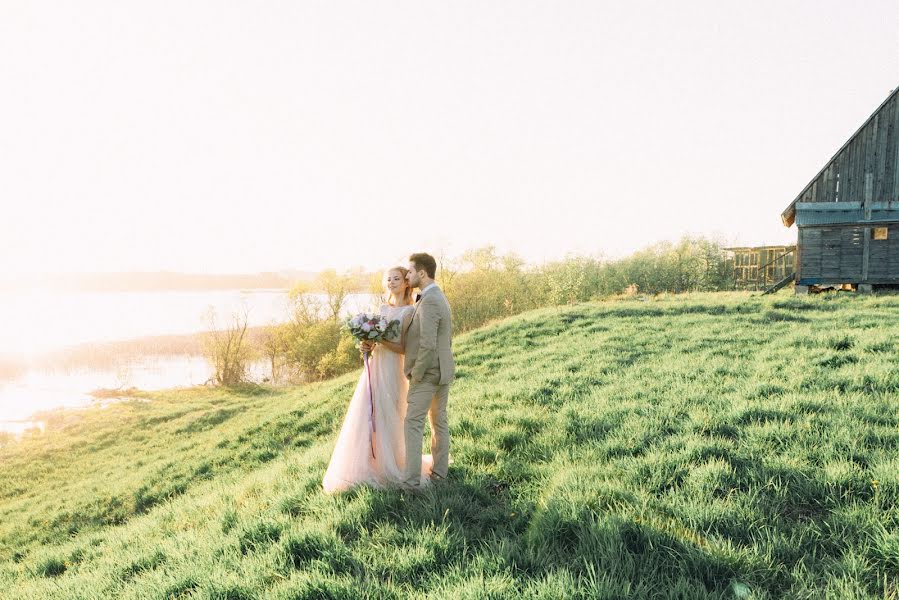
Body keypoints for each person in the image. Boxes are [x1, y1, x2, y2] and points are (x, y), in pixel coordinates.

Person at [322, 267, 433, 493]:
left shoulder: (410, 312)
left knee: (391, 414)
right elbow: (375, 342)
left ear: (406, 283)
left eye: (396, 279)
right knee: (368, 412)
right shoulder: (383, 308)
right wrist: (367, 344)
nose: (391, 282)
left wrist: (379, 339)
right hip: (376, 366)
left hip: (394, 369)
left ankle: (391, 464)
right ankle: (367, 464)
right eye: (388, 279)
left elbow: (404, 348)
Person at [402, 252, 455, 491]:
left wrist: (417, 373)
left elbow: (428, 343)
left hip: (430, 373)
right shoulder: (436, 296)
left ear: (422, 273)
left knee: (413, 423)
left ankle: (412, 483)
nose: (407, 275)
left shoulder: (431, 300)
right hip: (442, 371)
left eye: (410, 271)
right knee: (438, 422)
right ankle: (440, 475)